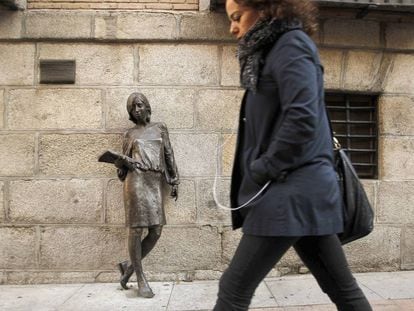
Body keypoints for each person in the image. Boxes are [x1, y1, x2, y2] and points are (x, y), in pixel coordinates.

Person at [213, 0, 372, 310]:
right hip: (301, 194)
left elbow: (302, 118)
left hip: (288, 192)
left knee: (233, 288)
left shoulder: (291, 45)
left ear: (265, 8)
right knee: (342, 288)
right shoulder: (274, 51)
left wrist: (265, 167)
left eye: (237, 17)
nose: (232, 27)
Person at [115, 92, 179, 298]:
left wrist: (175, 179)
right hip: (135, 182)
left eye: (140, 105)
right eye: (133, 108)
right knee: (136, 230)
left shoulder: (160, 128)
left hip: (154, 182)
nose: (137, 110)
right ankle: (141, 279)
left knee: (156, 230)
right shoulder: (129, 135)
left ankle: (129, 267)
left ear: (147, 107)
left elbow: (168, 153)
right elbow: (121, 172)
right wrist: (121, 162)